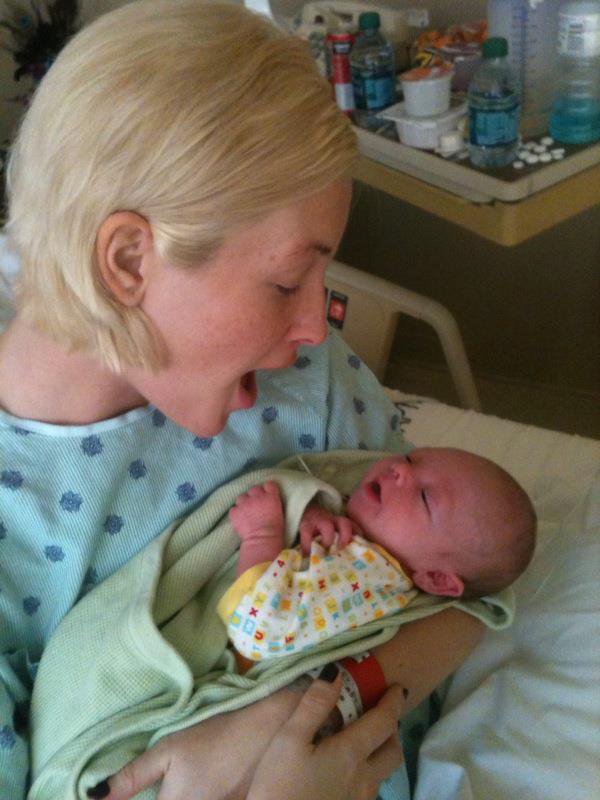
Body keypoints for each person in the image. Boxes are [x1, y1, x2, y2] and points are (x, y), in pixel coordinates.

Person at [0, 2, 485, 798]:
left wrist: (293, 717)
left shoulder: (310, 388)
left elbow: (466, 594)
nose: (314, 324)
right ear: (128, 260)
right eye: (289, 280)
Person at [223, 447, 536, 665]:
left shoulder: (371, 575)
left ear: (437, 578)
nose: (399, 468)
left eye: (425, 496)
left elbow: (261, 629)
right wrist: (310, 510)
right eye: (411, 458)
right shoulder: (370, 538)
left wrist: (262, 536)